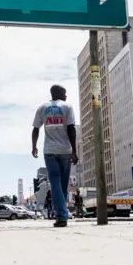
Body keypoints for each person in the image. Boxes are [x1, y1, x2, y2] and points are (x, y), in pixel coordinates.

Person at [32, 84, 78, 228]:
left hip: (50, 151)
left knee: (59, 186)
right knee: (60, 184)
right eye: (64, 93)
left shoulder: (42, 108)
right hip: (65, 150)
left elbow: (35, 129)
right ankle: (62, 216)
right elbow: (72, 129)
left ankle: (61, 215)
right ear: (58, 93)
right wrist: (74, 151)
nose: (66, 96)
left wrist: (34, 146)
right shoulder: (67, 107)